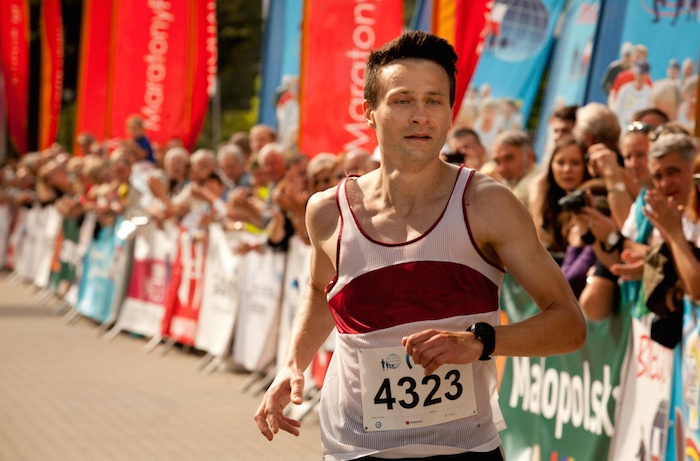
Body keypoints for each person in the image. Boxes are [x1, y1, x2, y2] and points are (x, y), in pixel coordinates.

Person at [254, 30, 586, 460]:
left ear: (449, 113)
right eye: (402, 100)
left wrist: (481, 342)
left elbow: (569, 324)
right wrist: (292, 364)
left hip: (465, 449)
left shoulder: (488, 204)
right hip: (355, 449)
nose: (420, 116)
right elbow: (322, 291)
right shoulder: (327, 211)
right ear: (369, 113)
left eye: (434, 101)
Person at [491, 130, 539, 209]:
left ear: (529, 157)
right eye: (497, 162)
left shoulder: (528, 192)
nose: (502, 168)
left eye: (508, 159)